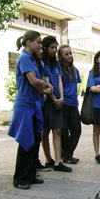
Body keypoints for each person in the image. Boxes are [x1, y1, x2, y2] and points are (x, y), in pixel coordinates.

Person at [8, 30, 53, 189]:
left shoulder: (33, 60)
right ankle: (20, 178)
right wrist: (45, 86)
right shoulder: (25, 58)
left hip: (34, 105)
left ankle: (31, 174)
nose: (41, 46)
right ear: (28, 42)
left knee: (34, 141)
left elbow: (38, 84)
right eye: (38, 42)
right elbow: (34, 81)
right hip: (25, 106)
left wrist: (46, 88)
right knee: (26, 142)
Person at [41, 36, 72, 172]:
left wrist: (61, 98)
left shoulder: (56, 64)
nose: (54, 50)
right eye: (52, 47)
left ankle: (58, 161)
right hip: (47, 101)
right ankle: (49, 160)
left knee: (58, 130)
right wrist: (54, 99)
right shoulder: (41, 63)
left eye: (55, 47)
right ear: (46, 48)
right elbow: (43, 82)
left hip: (58, 100)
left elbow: (59, 80)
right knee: (45, 131)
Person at [58, 44, 82, 164]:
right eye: (66, 54)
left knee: (77, 130)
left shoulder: (75, 70)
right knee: (64, 131)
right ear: (61, 56)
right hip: (64, 104)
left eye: (70, 53)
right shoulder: (59, 69)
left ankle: (67, 154)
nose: (69, 56)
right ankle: (66, 156)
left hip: (74, 104)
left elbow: (75, 86)